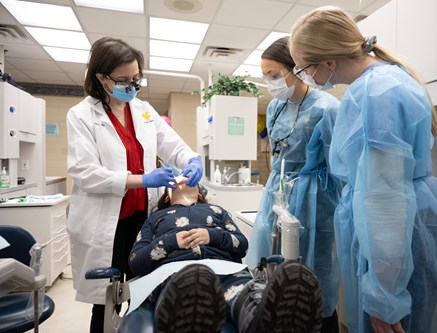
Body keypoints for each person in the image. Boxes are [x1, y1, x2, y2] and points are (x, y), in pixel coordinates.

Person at [289, 6, 437, 333]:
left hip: (402, 243)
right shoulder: (383, 81)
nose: (305, 77)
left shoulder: (375, 95)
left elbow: (386, 201)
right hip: (411, 232)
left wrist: (385, 298)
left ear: (328, 62)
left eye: (304, 68)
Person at [66, 36, 203, 333]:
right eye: (124, 80)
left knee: (142, 292)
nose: (132, 85)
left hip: (143, 222)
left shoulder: (143, 110)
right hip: (108, 224)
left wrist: (192, 159)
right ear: (101, 78)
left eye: (137, 78)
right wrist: (142, 179)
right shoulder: (81, 115)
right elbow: (84, 171)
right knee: (106, 301)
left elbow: (173, 145)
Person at [128, 179, 324, 333]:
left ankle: (266, 322)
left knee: (242, 294)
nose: (186, 179)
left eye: (192, 179)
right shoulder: (155, 219)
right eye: (180, 179)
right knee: (185, 289)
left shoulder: (217, 212)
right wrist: (172, 241)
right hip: (174, 273)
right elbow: (136, 260)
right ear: (168, 196)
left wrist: (211, 235)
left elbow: (241, 244)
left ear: (199, 192)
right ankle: (183, 313)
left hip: (226, 270)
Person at [246, 36, 343, 332]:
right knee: (272, 270)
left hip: (315, 198)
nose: (270, 82)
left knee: (312, 273)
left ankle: (321, 323)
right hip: (277, 192)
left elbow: (337, 166)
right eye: (265, 76)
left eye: (274, 75)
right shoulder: (275, 107)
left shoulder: (327, 108)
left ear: (297, 70)